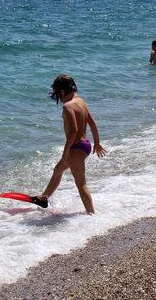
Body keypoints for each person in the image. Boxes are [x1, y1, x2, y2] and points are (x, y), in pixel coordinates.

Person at [32, 75, 106, 214]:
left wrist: (66, 151)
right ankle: (44, 198)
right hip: (85, 145)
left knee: (81, 183)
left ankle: (92, 215)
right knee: (58, 170)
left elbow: (73, 131)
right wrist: (97, 143)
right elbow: (92, 123)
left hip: (75, 148)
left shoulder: (68, 106)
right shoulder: (80, 101)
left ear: (61, 91)